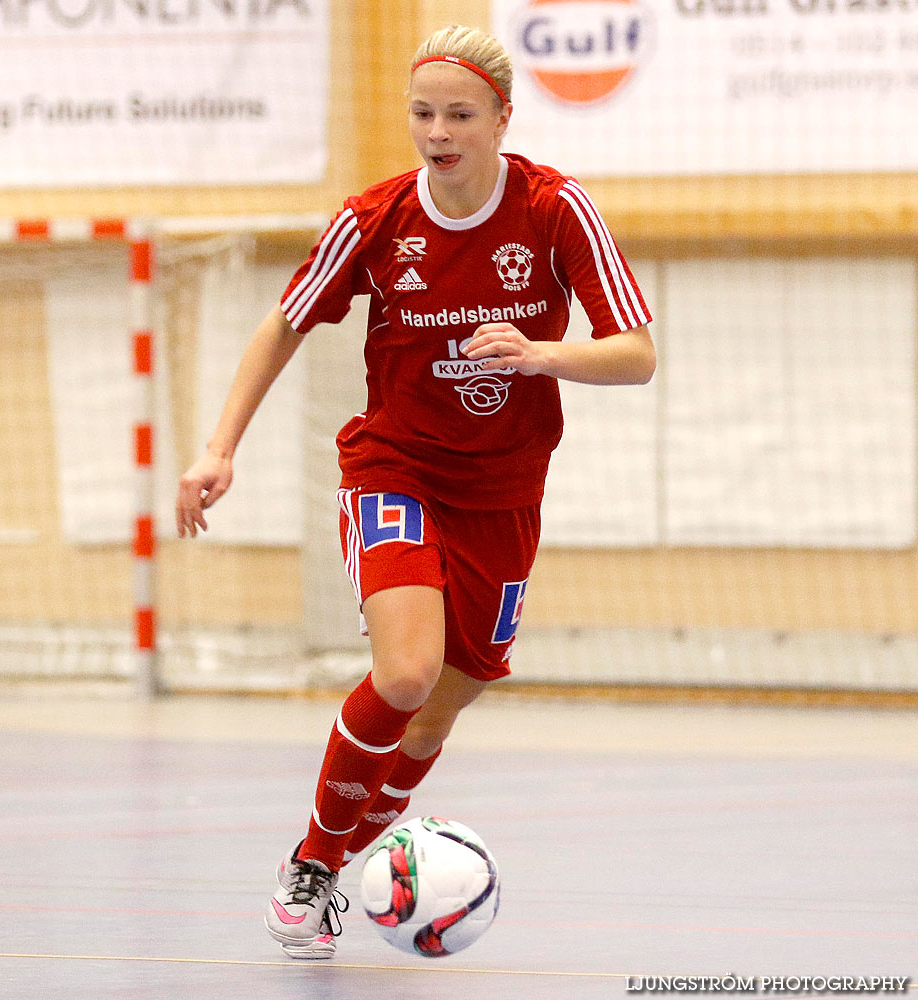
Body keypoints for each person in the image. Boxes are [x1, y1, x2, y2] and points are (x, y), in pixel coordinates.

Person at [175, 24, 655, 960]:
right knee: (405, 673)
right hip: (396, 466)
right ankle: (311, 869)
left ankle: (352, 861)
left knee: (443, 704)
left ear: (502, 120)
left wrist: (537, 353)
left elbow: (636, 354)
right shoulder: (375, 218)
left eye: (458, 114)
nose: (436, 131)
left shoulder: (555, 212)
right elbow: (283, 324)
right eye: (421, 112)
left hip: (504, 491)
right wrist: (217, 447)